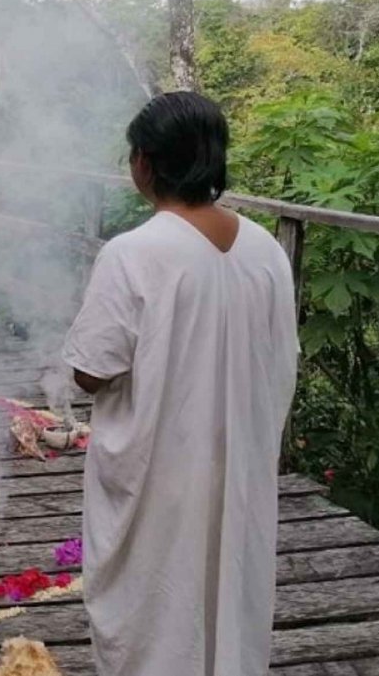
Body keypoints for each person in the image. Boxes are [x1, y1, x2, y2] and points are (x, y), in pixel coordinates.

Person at [62, 92, 300, 676]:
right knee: (228, 605)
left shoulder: (134, 253)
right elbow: (281, 358)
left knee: (157, 617)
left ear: (143, 163)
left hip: (162, 477)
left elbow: (92, 370)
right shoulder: (266, 249)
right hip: (239, 467)